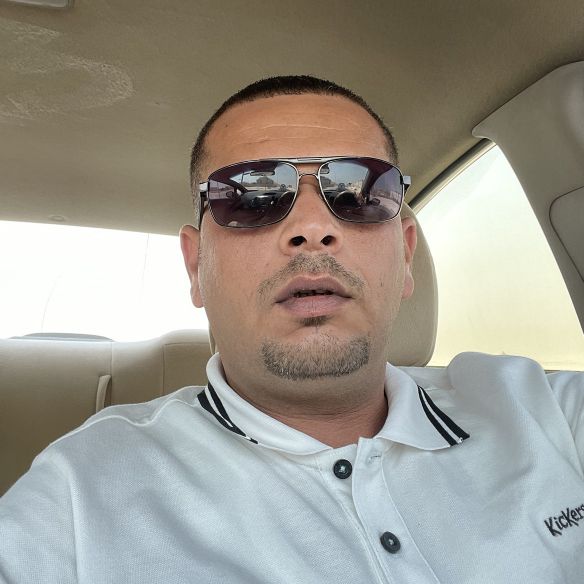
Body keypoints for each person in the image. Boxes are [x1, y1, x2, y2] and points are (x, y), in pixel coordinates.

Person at [1, 75, 583, 584]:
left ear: (405, 254)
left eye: (359, 190)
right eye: (252, 195)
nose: (311, 227)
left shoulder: (548, 413)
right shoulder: (82, 494)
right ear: (196, 267)